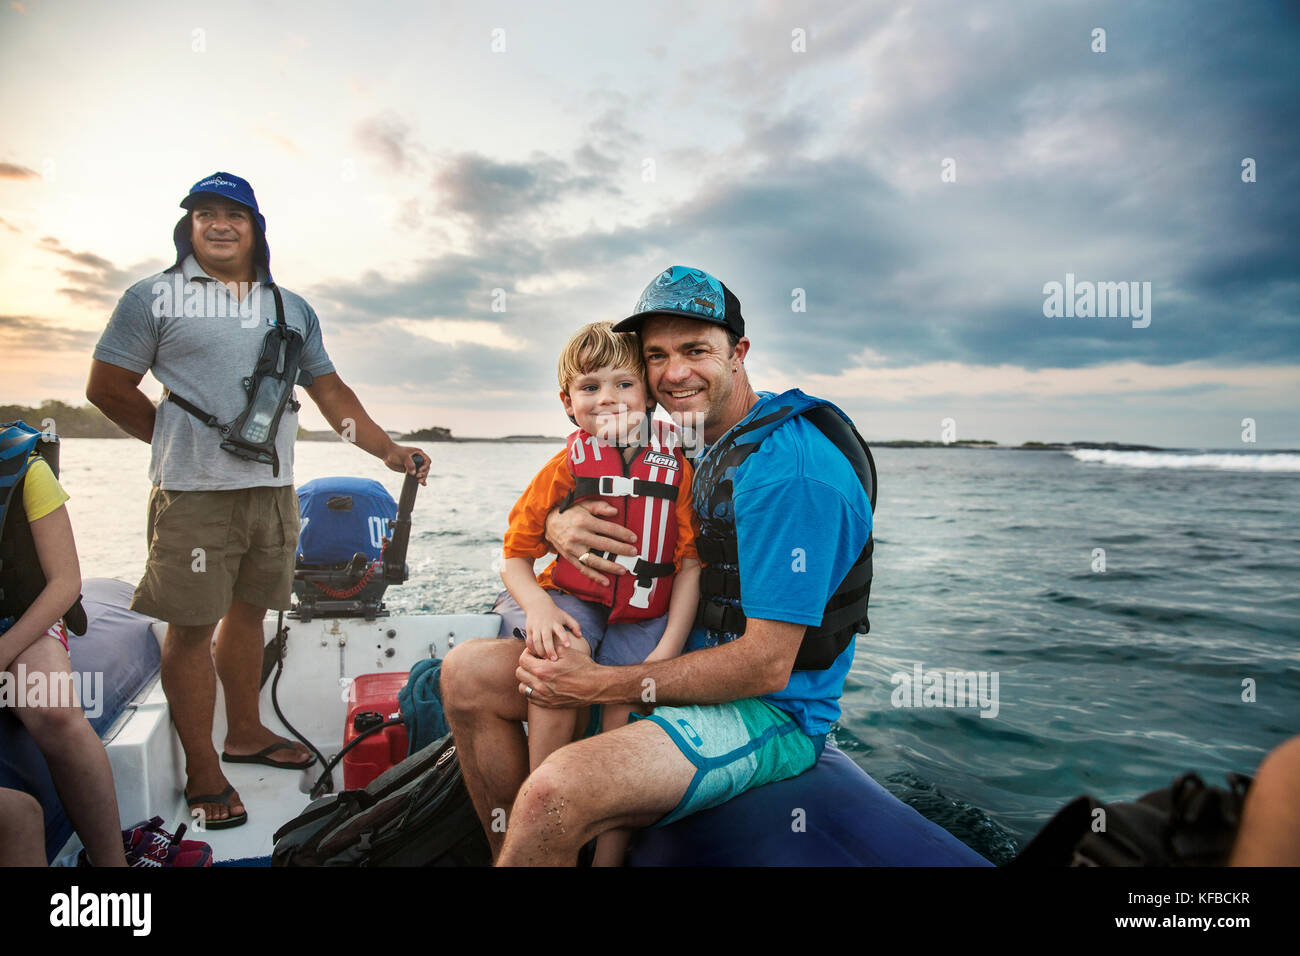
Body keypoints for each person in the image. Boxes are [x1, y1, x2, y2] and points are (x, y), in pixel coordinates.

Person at [441, 265, 874, 865]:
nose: (675, 373)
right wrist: (556, 524)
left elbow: (767, 667)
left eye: (696, 350)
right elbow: (601, 472)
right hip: (656, 655)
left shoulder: (790, 475)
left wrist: (600, 683)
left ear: (738, 352)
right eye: (657, 355)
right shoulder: (689, 435)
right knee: (465, 673)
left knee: (554, 790)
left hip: (767, 708)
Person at [86, 172, 429, 829]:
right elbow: (107, 386)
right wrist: (171, 442)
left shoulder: (290, 308)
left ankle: (244, 732)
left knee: (250, 616)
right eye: (204, 213)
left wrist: (389, 451)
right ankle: (203, 772)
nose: (219, 225)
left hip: (272, 493)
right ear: (187, 226)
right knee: (189, 629)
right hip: (193, 496)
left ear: (256, 229)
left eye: (234, 215)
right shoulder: (152, 298)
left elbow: (331, 394)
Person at [495, 321, 700, 865]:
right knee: (554, 657)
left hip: (645, 614)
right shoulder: (562, 470)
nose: (607, 398)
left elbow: (689, 566)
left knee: (626, 705)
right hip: (574, 601)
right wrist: (538, 607)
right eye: (590, 387)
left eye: (623, 384)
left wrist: (666, 652)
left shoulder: (677, 470)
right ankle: (543, 802)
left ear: (648, 394)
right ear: (568, 403)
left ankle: (608, 854)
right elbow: (515, 556)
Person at [0, 422, 127, 866]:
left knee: (53, 708)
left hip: (23, 619)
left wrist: (4, 651)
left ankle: (110, 861)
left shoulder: (29, 470)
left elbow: (64, 583)